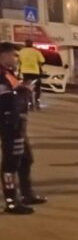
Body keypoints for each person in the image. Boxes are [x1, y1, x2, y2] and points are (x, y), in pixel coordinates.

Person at [0, 42, 46, 214]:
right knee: (10, 163)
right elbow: (8, 100)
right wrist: (25, 91)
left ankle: (27, 193)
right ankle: (11, 201)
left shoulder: (8, 73)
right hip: (9, 124)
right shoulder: (1, 75)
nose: (16, 58)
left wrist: (23, 89)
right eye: (13, 55)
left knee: (26, 159)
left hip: (18, 123)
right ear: (3, 55)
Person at [18, 39, 45, 111]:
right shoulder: (36, 52)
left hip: (25, 72)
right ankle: (37, 101)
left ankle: (30, 104)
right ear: (32, 44)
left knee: (28, 88)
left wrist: (18, 72)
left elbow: (19, 62)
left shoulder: (21, 52)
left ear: (25, 44)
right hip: (35, 72)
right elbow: (42, 61)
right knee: (38, 88)